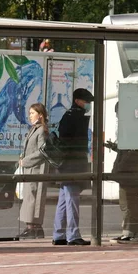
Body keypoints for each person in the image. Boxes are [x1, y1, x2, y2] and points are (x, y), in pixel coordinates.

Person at [52, 88, 94, 246]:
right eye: (86, 101)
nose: (88, 105)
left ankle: (59, 234)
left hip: (66, 165)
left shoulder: (68, 115)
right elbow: (75, 143)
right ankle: (73, 235)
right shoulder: (76, 116)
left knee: (64, 200)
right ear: (77, 101)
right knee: (72, 201)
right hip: (73, 164)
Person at [108, 103, 138, 245]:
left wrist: (120, 166)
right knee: (131, 201)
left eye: (118, 113)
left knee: (127, 203)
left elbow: (130, 151)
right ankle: (131, 232)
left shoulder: (130, 128)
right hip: (131, 170)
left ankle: (129, 233)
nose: (117, 116)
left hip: (128, 171)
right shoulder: (135, 127)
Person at [18, 103, 50, 239]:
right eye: (29, 113)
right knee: (29, 197)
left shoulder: (41, 130)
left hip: (37, 169)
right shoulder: (34, 129)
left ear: (40, 115)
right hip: (31, 169)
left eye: (32, 113)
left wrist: (25, 161)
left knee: (33, 198)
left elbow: (42, 152)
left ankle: (33, 227)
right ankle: (32, 227)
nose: (30, 116)